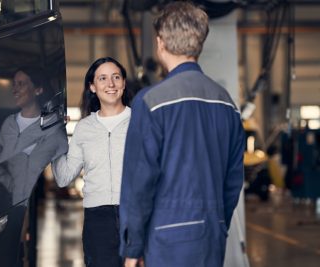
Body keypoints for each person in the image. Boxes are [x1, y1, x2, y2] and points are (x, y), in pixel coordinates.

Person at [119, 2, 245, 267]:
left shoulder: (151, 102)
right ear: (199, 43)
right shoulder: (227, 104)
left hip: (165, 241)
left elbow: (139, 184)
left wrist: (133, 249)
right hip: (212, 238)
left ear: (160, 43)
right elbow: (233, 181)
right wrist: (216, 223)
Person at [51, 57, 131, 267]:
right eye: (102, 78)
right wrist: (55, 138)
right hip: (98, 219)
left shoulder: (140, 120)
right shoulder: (84, 128)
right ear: (93, 87)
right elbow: (63, 177)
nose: (110, 84)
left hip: (135, 213)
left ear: (123, 83)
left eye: (116, 77)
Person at [0, 66, 68, 204]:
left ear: (38, 90)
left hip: (44, 210)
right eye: (14, 84)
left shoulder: (54, 129)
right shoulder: (9, 125)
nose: (15, 89)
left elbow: (65, 175)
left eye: (21, 84)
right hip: (17, 207)